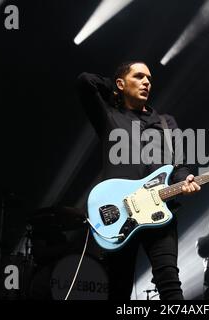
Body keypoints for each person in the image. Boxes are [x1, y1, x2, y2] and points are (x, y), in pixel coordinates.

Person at [76, 61, 200, 300]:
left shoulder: (166, 122)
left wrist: (185, 179)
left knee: (170, 284)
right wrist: (116, 88)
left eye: (149, 79)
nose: (146, 82)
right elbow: (84, 80)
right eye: (139, 77)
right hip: (120, 214)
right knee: (119, 289)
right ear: (121, 83)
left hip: (160, 212)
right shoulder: (109, 115)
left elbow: (182, 162)